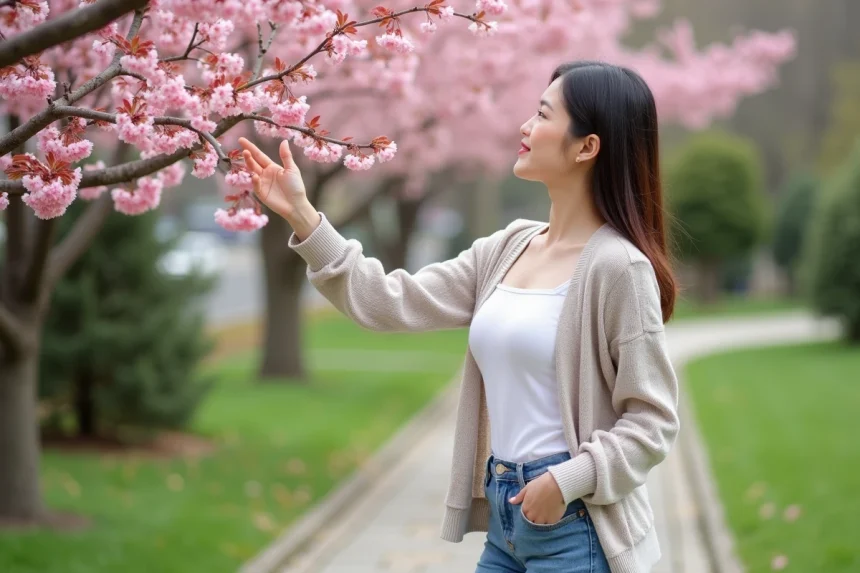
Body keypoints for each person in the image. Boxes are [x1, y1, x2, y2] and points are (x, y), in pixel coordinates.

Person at [238, 60, 680, 573]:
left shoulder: (619, 268)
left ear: (587, 146)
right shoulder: (507, 247)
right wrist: (303, 216)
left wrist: (566, 482)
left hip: (575, 528)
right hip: (507, 523)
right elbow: (387, 301)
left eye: (542, 115)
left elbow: (653, 420)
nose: (524, 127)